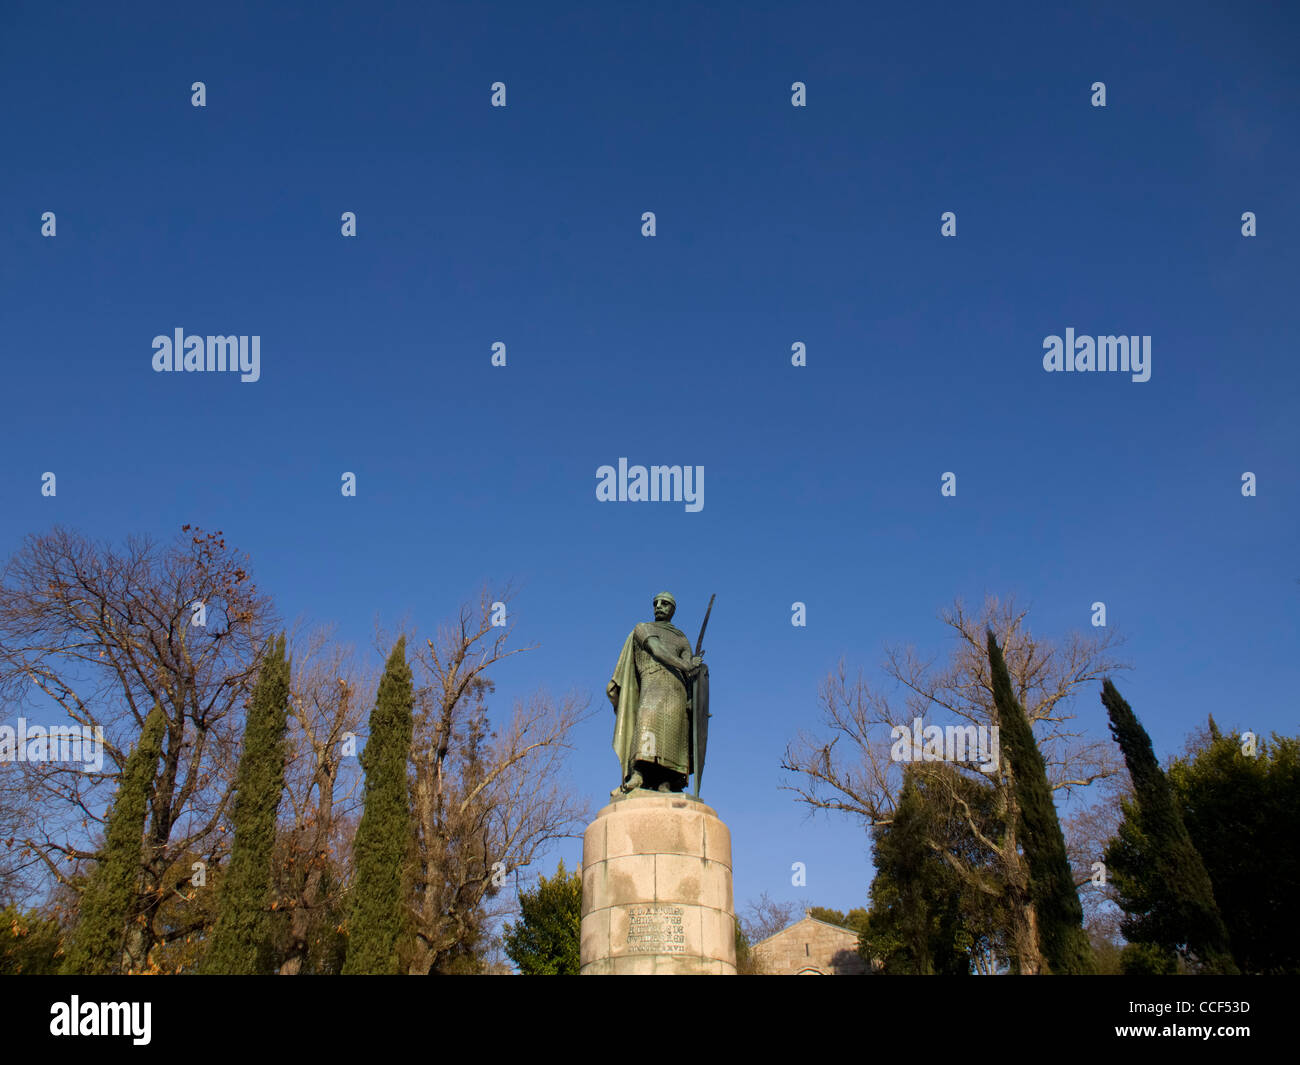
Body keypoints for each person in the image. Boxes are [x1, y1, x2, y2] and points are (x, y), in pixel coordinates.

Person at [607, 592, 702, 796]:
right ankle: (638, 774)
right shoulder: (643, 628)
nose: (659, 606)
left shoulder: (681, 638)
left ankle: (666, 781)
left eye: (665, 603)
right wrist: (686, 664)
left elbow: (690, 670)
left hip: (676, 690)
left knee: (674, 735)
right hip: (652, 684)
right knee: (646, 724)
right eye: (656, 603)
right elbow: (656, 650)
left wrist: (694, 668)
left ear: (673, 609)